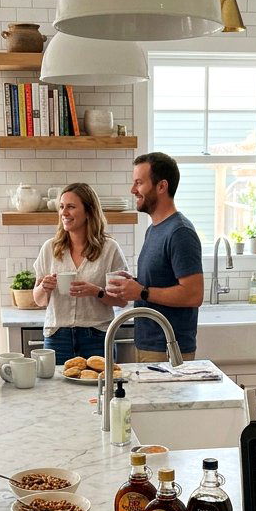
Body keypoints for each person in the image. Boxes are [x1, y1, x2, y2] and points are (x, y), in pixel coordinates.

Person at [106, 152, 204, 361]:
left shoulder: (180, 232)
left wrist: (142, 292)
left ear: (161, 186)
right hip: (149, 343)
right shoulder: (155, 229)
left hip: (169, 348)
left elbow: (194, 295)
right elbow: (159, 282)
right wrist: (133, 285)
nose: (133, 190)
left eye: (139, 183)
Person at [32, 183, 129, 364]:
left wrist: (96, 291)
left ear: (88, 211)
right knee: (56, 391)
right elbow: (38, 300)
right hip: (57, 337)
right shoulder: (50, 248)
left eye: (71, 207)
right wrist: (44, 288)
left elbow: (122, 300)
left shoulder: (109, 249)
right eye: (62, 207)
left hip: (97, 337)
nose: (64, 212)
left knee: (98, 389)